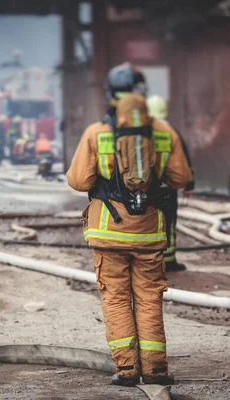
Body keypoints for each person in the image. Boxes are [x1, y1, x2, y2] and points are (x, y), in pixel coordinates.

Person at [67, 62, 192, 386]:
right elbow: (181, 178)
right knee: (150, 298)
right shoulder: (163, 132)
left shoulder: (97, 133)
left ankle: (126, 370)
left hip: (108, 230)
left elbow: (79, 181)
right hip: (149, 231)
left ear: (110, 96)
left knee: (116, 299)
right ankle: (155, 370)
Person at [146, 95, 195, 271]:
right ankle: (169, 260)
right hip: (168, 188)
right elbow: (184, 159)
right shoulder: (170, 132)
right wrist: (189, 183)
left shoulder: (140, 131)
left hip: (144, 189)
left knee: (146, 222)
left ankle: (148, 262)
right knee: (168, 222)